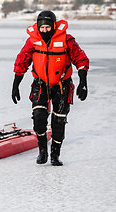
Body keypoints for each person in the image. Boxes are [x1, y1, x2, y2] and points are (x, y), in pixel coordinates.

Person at [12, 10, 89, 166]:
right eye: (42, 28)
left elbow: (81, 60)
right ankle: (42, 151)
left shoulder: (67, 40)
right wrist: (16, 84)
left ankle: (55, 154)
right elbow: (22, 61)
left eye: (48, 27)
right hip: (40, 83)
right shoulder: (32, 41)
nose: (45, 31)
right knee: (39, 116)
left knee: (59, 121)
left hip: (62, 85)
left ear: (54, 26)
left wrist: (83, 82)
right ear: (38, 27)